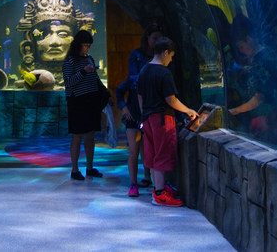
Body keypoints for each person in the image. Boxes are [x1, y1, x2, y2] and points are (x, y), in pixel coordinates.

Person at [137, 37, 198, 207]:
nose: (170, 60)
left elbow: (139, 95)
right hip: (162, 119)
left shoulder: (144, 70)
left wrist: (144, 114)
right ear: (165, 52)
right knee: (163, 153)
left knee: (153, 154)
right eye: (171, 56)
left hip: (147, 118)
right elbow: (171, 99)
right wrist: (188, 110)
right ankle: (160, 194)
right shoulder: (164, 73)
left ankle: (158, 188)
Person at [116, 27, 161, 197]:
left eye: (159, 38)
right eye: (154, 38)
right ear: (147, 38)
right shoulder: (136, 59)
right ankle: (133, 183)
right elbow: (120, 90)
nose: (156, 41)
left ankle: (150, 179)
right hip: (135, 113)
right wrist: (124, 107)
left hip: (150, 113)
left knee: (148, 148)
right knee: (134, 149)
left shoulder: (159, 63)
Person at [61, 28, 106, 180]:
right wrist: (84, 72)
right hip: (77, 102)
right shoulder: (70, 61)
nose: (87, 48)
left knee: (90, 135)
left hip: (91, 101)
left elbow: (96, 79)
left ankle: (90, 167)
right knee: (77, 136)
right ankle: (74, 170)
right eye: (85, 45)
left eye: (89, 45)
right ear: (78, 44)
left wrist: (105, 92)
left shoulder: (89, 59)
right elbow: (68, 82)